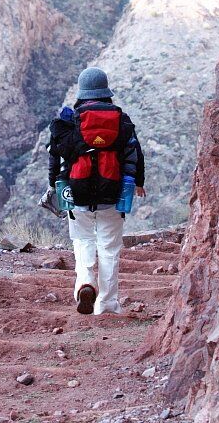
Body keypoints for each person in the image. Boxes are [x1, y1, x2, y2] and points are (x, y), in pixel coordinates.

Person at [43, 67, 146, 315]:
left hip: (76, 194)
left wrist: (53, 185)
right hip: (112, 194)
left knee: (83, 241)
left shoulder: (69, 121)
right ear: (105, 91)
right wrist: (138, 182)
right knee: (109, 249)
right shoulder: (121, 121)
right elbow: (134, 153)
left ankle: (86, 283)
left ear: (82, 92)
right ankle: (107, 305)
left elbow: (54, 156)